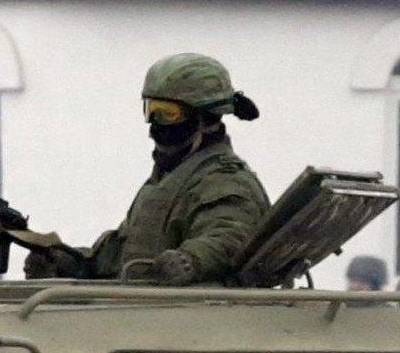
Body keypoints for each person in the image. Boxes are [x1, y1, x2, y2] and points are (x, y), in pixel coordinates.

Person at [26, 53, 270, 287]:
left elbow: (231, 236)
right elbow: (131, 251)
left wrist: (192, 259)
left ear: (206, 118)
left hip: (192, 318)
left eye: (169, 113)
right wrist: (72, 262)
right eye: (151, 110)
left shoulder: (225, 180)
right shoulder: (169, 178)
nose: (156, 122)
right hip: (142, 313)